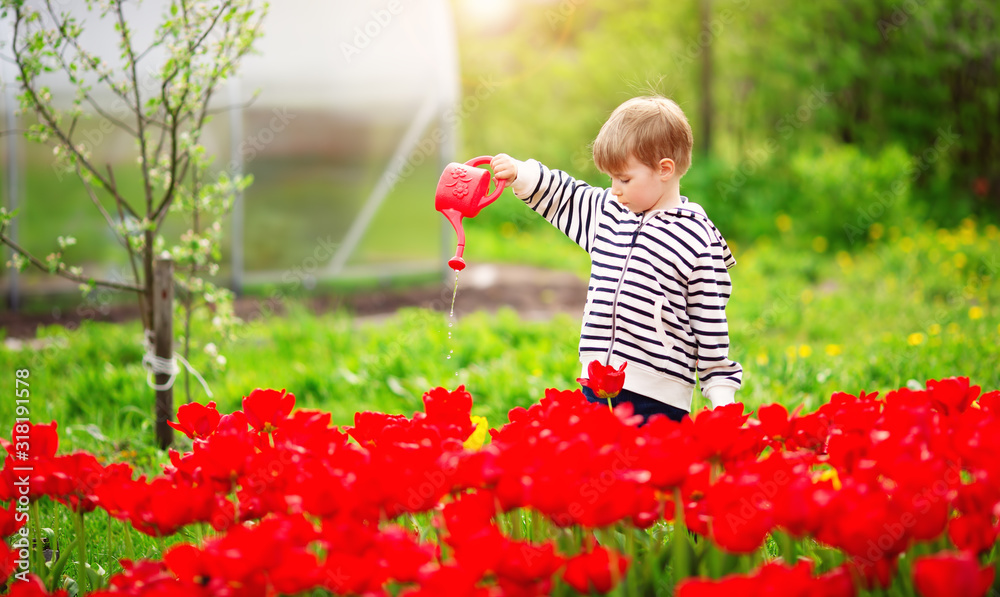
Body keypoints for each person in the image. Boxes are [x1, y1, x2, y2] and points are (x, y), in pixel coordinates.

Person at [491, 95, 742, 425]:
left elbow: (709, 322)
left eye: (624, 179)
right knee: (599, 469)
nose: (615, 189)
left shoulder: (695, 237)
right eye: (611, 178)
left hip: (657, 398)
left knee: (649, 474)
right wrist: (520, 172)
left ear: (664, 169)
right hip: (597, 383)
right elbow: (564, 195)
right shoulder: (610, 213)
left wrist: (721, 394)